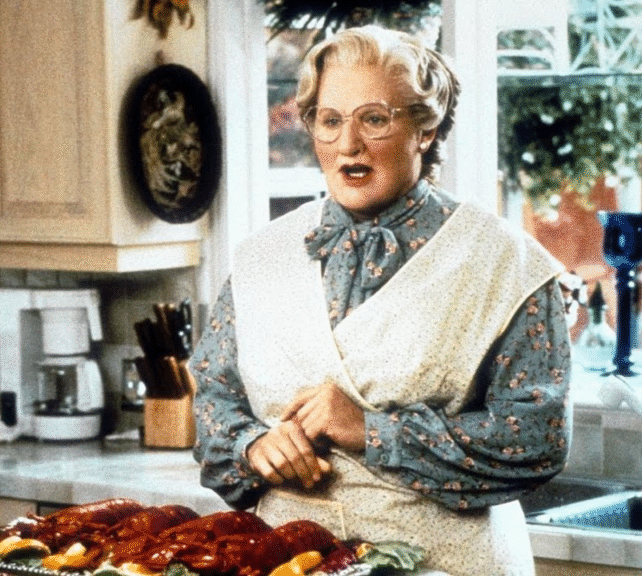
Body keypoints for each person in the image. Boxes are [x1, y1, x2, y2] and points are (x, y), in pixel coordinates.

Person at [189, 25, 571, 576]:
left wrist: (371, 430)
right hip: (289, 559)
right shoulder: (260, 256)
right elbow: (214, 402)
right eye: (330, 120)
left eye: (374, 119)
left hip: (449, 563)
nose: (348, 145)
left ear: (425, 129)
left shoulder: (506, 262)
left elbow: (537, 438)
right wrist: (252, 446)